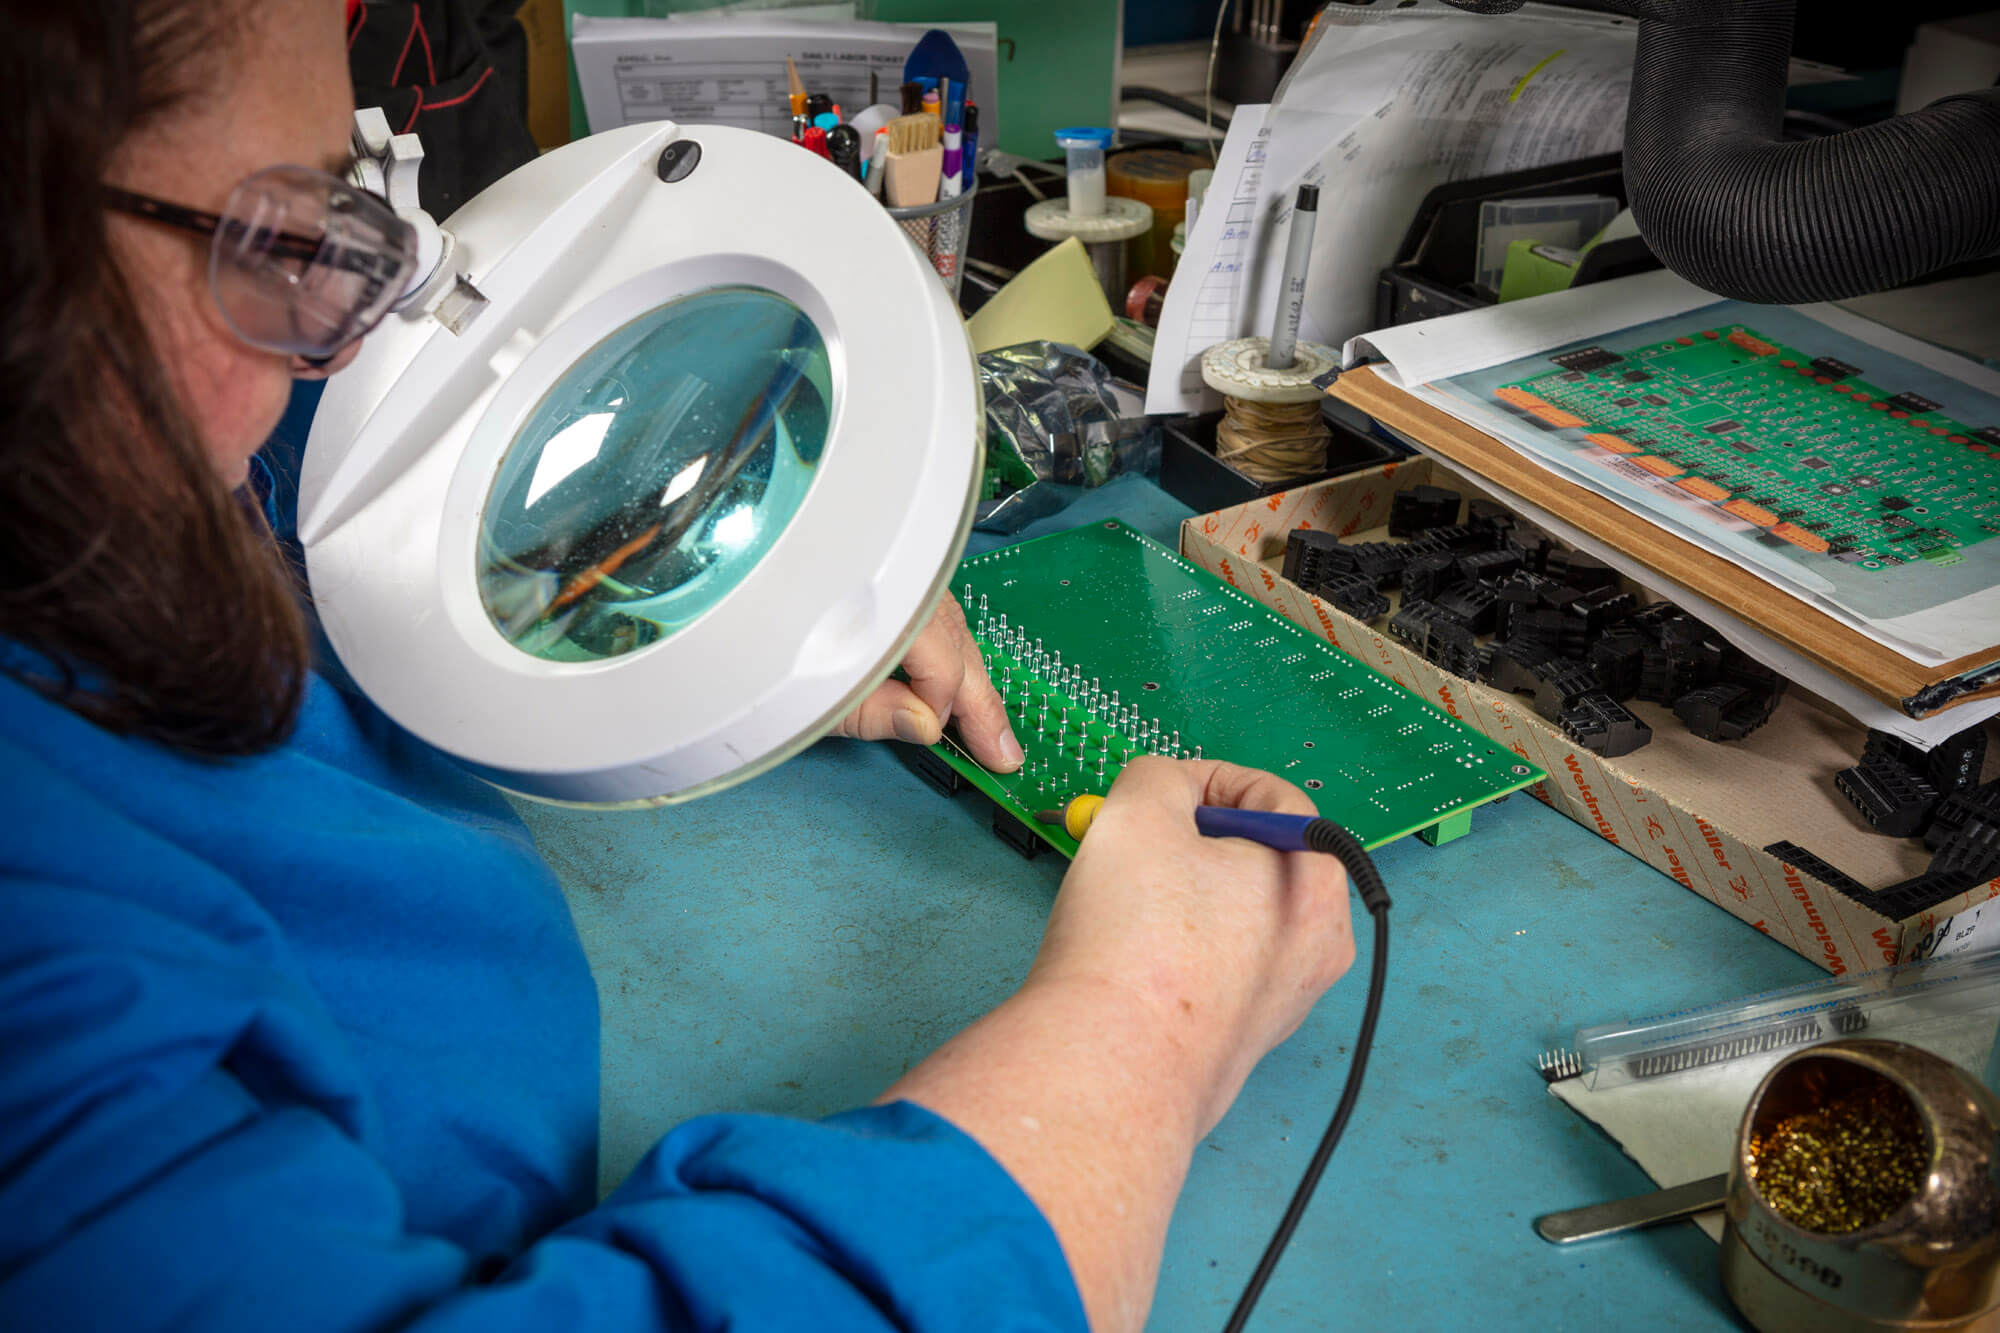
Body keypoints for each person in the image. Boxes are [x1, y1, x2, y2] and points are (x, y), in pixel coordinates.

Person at [0, 2, 1356, 1329]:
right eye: (293, 230)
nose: (360, 327)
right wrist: (1141, 1032)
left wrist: (679, 592)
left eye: (363, 189)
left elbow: (301, 489)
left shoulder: (107, 462)